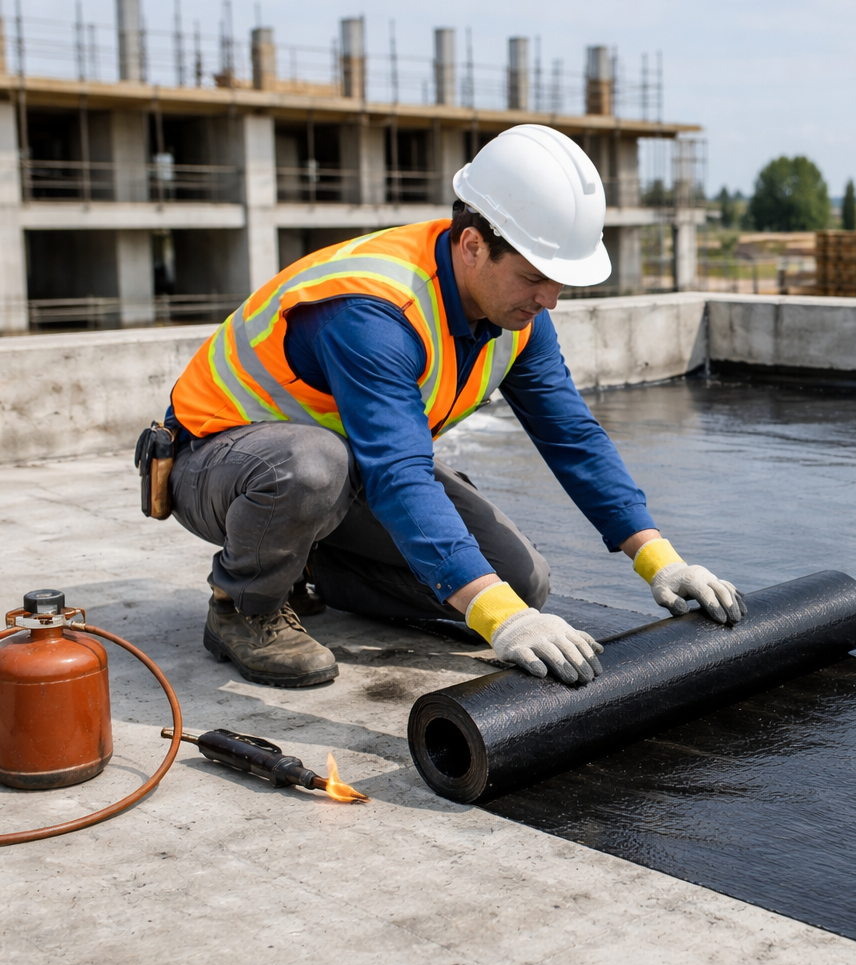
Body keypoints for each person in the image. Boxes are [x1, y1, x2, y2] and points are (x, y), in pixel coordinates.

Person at [158, 124, 743, 689]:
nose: (551, 300)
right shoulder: (374, 310)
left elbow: (572, 437)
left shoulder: (516, 315)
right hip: (223, 465)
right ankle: (243, 606)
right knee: (314, 466)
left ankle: (310, 565)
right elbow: (398, 475)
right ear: (472, 245)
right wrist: (501, 624)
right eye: (537, 277)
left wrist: (661, 561)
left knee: (520, 582)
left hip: (349, 468)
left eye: (561, 283)